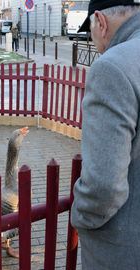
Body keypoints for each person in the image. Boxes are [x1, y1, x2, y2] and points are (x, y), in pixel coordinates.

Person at [70, 0, 140, 269]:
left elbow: (104, 187)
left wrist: (81, 217)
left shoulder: (113, 68)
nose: (94, 41)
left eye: (90, 32)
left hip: (124, 250)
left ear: (100, 21)